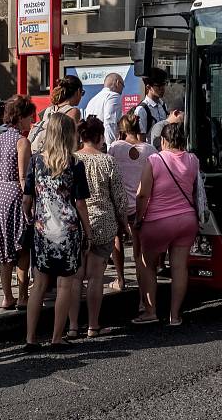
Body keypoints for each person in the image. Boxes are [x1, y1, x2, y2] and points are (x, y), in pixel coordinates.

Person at [22, 113, 92, 351]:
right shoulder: (75, 164)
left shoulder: (35, 161)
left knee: (39, 285)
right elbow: (80, 203)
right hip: (68, 231)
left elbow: (27, 198)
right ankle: (56, 338)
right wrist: (89, 233)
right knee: (64, 285)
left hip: (42, 230)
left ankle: (30, 339)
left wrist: (30, 216)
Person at [134, 123, 199, 326]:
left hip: (158, 222)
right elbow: (196, 191)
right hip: (187, 220)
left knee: (148, 266)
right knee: (179, 268)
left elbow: (143, 194)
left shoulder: (155, 159)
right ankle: (175, 315)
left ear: (163, 140)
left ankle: (151, 311)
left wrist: (138, 218)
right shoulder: (193, 160)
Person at [68, 117, 128, 337]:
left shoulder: (72, 160)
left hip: (75, 223)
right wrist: (124, 222)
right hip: (102, 222)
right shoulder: (107, 162)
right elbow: (120, 198)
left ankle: (73, 326)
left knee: (74, 278)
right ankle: (93, 325)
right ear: (99, 137)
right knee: (96, 277)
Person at [0, 95, 36, 311]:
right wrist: (29, 200)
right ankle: (23, 296)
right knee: (22, 247)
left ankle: (7, 296)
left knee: (5, 247)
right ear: (21, 117)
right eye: (29, 117)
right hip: (15, 193)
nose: (31, 121)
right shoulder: (22, 141)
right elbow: (24, 176)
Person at [109, 112, 158, 299]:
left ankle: (120, 278)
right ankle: (141, 295)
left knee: (117, 240)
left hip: (119, 204)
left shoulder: (114, 148)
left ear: (121, 130)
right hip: (141, 205)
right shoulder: (150, 150)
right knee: (139, 253)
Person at [30, 76, 84, 152]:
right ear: (78, 91)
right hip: (59, 155)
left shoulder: (49, 110)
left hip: (43, 154)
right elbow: (72, 141)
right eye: (82, 93)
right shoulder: (73, 111)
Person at [84, 73, 124, 148]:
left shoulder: (92, 100)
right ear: (118, 83)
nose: (122, 90)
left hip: (92, 145)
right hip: (105, 146)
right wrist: (111, 146)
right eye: (123, 86)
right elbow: (110, 122)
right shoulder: (113, 96)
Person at [134, 68, 168, 139]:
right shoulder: (142, 110)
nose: (162, 88)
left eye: (164, 84)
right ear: (148, 87)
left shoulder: (163, 105)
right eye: (159, 86)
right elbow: (141, 140)